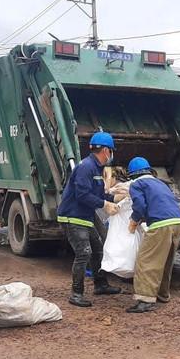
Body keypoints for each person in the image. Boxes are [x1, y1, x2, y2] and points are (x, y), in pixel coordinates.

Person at [57, 131, 123, 307]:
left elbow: (98, 194)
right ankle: (76, 294)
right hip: (72, 216)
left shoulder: (96, 169)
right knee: (84, 252)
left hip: (85, 216)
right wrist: (104, 204)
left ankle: (100, 284)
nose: (111, 154)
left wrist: (116, 198)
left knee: (98, 248)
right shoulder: (86, 167)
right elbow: (82, 195)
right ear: (106, 151)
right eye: (111, 150)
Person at [125, 157, 180, 314]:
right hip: (179, 223)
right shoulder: (161, 183)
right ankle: (162, 294)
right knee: (165, 261)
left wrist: (134, 220)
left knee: (146, 261)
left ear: (132, 175)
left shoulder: (136, 184)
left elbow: (139, 206)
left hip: (161, 225)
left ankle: (145, 300)